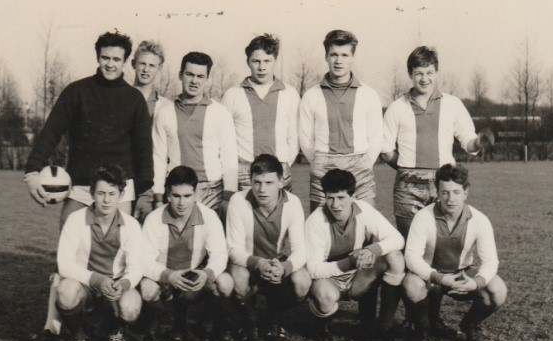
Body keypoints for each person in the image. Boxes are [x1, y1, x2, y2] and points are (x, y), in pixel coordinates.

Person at [23, 30, 154, 341]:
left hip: (120, 192)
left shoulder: (134, 99)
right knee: (66, 260)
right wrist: (32, 171)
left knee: (117, 261)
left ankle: (112, 326)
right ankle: (53, 327)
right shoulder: (76, 92)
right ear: (97, 57)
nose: (111, 64)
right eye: (105, 57)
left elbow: (143, 149)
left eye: (117, 59)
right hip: (81, 187)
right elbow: (51, 131)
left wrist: (145, 191)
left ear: (126, 61)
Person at [381, 46, 494, 239]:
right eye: (419, 73)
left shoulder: (452, 104)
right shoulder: (397, 107)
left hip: (443, 183)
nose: (424, 79)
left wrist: (479, 143)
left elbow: (468, 140)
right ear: (410, 74)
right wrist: (407, 168)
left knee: (443, 243)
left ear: (437, 72)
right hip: (407, 187)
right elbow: (386, 150)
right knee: (411, 245)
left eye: (429, 72)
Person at [402, 164, 507, 341]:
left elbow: (490, 261)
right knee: (412, 284)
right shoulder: (423, 217)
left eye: (456, 192)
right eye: (445, 193)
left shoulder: (479, 220)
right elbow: (411, 256)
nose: (451, 199)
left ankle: (469, 325)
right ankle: (421, 327)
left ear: (465, 192)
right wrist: (438, 277)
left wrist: (476, 282)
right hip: (430, 276)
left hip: (461, 274)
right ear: (437, 192)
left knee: (497, 290)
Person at [305, 169, 405, 341]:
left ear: (353, 196)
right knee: (326, 297)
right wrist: (349, 262)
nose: (335, 205)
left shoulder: (363, 209)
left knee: (395, 258)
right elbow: (313, 269)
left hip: (358, 276)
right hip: (329, 279)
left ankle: (383, 329)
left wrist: (371, 249)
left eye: (341, 198)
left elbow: (397, 239)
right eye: (330, 198)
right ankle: (321, 322)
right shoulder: (316, 221)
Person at [55, 164, 143, 341]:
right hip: (85, 284)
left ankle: (112, 331)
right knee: (65, 291)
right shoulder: (75, 220)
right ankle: (77, 338)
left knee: (131, 308)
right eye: (101, 193)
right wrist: (97, 280)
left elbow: (136, 267)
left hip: (114, 284)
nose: (106, 200)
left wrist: (123, 285)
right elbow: (64, 264)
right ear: (92, 193)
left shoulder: (131, 225)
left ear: (121, 195)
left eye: (112, 194)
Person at [140, 166, 233, 341]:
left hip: (192, 276)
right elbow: (144, 260)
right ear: (167, 195)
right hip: (164, 278)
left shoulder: (209, 216)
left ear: (196, 194)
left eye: (187, 196)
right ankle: (152, 331)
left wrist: (205, 274)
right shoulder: (154, 218)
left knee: (225, 282)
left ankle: (205, 328)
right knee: (147, 289)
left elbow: (220, 255)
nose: (182, 203)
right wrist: (168, 275)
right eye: (176, 196)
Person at [226, 154, 311, 341]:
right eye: (257, 182)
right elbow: (233, 248)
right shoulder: (238, 200)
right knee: (237, 278)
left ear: (281, 182)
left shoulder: (292, 203)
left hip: (277, 263)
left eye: (269, 183)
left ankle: (274, 316)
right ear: (250, 181)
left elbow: (300, 250)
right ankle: (249, 321)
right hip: (248, 263)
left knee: (303, 282)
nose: (262, 189)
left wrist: (284, 268)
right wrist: (258, 263)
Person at [299, 29, 384, 213]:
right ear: (326, 56)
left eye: (344, 55)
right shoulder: (311, 96)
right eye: (334, 55)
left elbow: (376, 137)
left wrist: (364, 163)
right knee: (321, 224)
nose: (339, 61)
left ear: (352, 57)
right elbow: (305, 139)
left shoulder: (368, 94)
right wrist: (319, 161)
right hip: (323, 166)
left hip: (360, 166)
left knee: (365, 221)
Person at [152, 52, 237, 216]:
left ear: (207, 79)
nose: (194, 81)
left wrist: (228, 195)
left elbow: (229, 156)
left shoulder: (220, 112)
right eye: (189, 74)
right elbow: (159, 157)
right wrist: (157, 196)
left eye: (200, 76)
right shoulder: (165, 113)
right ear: (180, 75)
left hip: (212, 189)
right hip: (177, 189)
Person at [221, 34, 300, 191]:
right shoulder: (232, 95)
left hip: (279, 171)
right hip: (245, 173)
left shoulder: (290, 94)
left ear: (275, 61)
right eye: (256, 61)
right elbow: (225, 141)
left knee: (282, 208)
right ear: (248, 62)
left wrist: (284, 165)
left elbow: (294, 137)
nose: (261, 67)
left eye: (267, 61)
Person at [131, 39, 172, 120]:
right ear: (133, 64)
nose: (146, 70)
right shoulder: (119, 98)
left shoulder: (166, 107)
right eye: (142, 64)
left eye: (151, 65)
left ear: (159, 68)